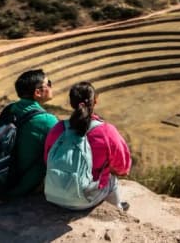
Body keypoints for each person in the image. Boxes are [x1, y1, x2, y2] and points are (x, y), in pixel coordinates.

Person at [44, 82, 131, 210]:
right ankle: (118, 209)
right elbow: (122, 167)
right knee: (112, 179)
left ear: (71, 102)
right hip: (84, 199)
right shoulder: (106, 131)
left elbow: (47, 159)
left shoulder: (58, 128)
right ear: (95, 100)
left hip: (53, 194)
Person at [4, 69, 59, 197]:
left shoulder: (9, 109)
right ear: (38, 92)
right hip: (24, 186)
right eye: (48, 84)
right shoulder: (47, 120)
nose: (51, 87)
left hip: (4, 179)